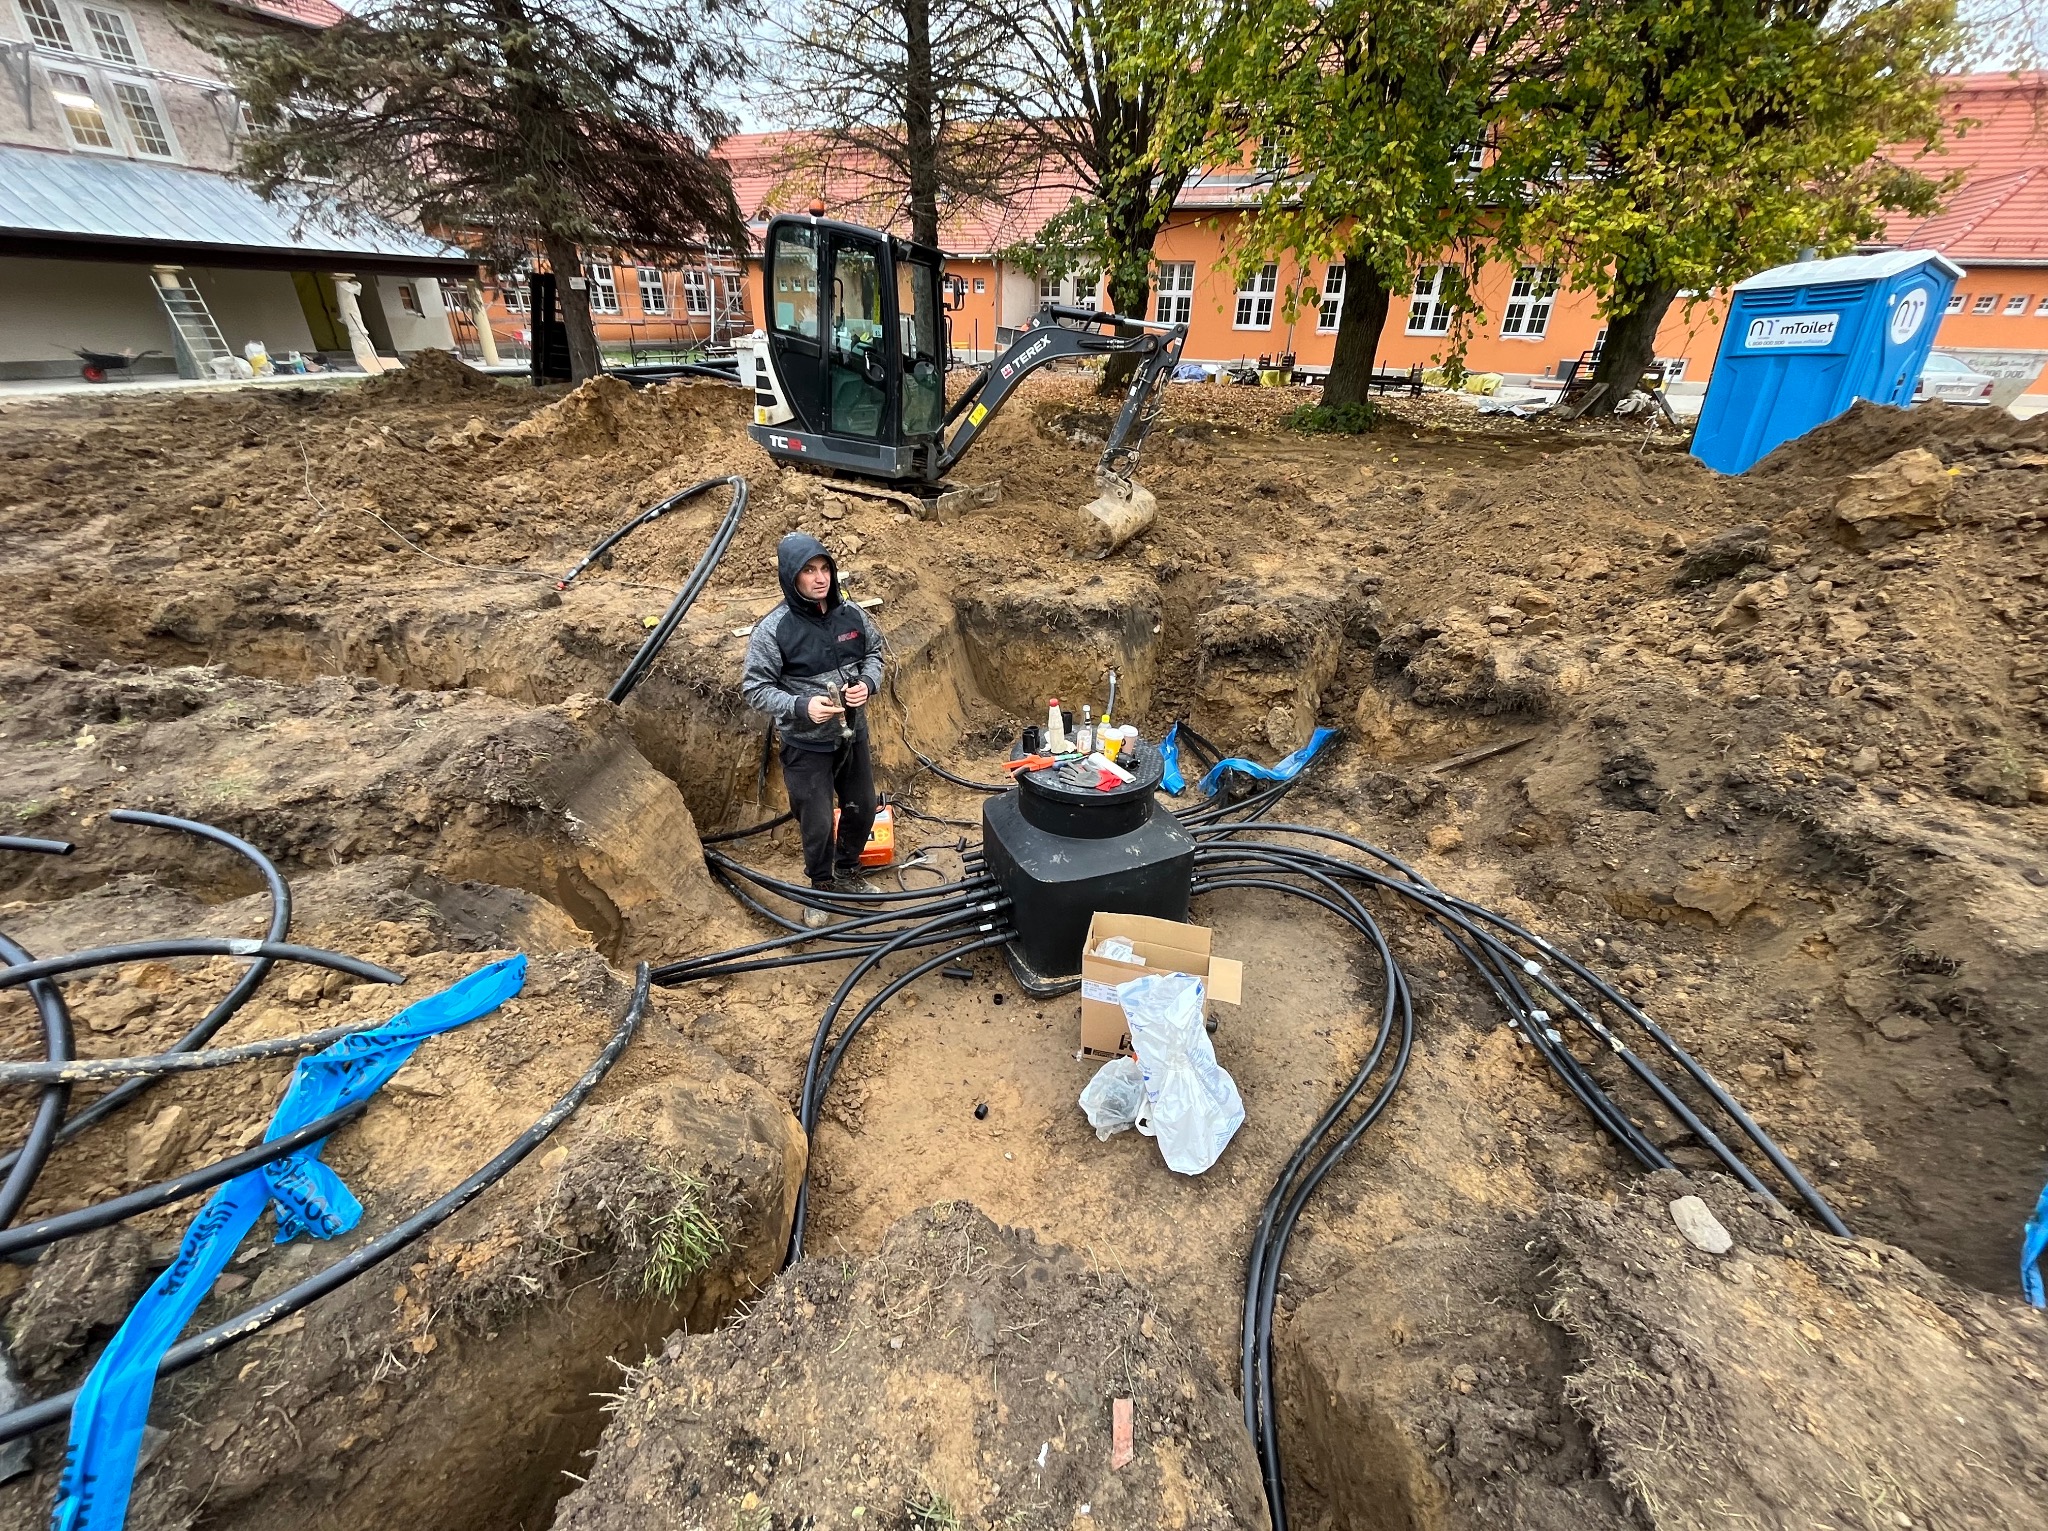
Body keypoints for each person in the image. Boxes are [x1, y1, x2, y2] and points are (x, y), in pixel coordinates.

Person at [741, 533, 885, 926]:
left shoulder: (852, 615)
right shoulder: (774, 630)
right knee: (817, 820)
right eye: (809, 571)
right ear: (792, 577)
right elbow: (754, 688)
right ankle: (820, 886)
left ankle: (847, 870)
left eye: (824, 569)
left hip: (852, 734)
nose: (820, 579)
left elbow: (875, 654)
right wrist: (800, 706)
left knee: (863, 805)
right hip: (806, 743)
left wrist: (867, 684)